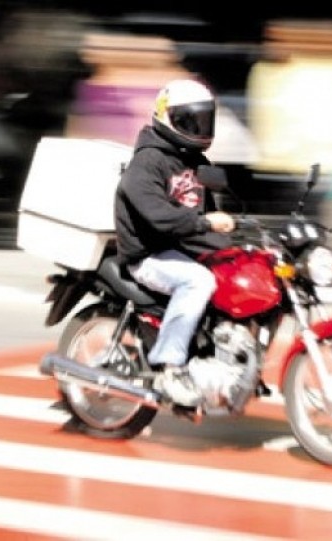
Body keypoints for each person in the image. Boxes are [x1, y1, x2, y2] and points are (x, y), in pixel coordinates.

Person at [113, 79, 235, 408]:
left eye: (204, 119)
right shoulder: (147, 162)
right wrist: (204, 222)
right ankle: (170, 366)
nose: (199, 128)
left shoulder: (195, 162)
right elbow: (159, 217)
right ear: (169, 118)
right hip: (149, 254)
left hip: (181, 249)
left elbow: (215, 211)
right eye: (191, 121)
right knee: (198, 282)